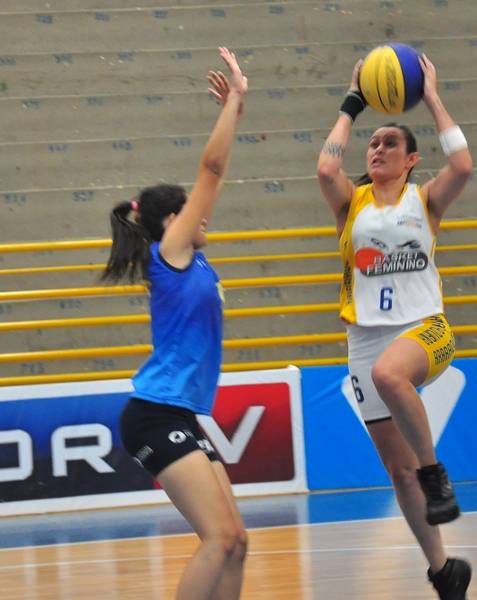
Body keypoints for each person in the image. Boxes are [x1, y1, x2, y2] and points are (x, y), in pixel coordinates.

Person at [316, 55, 473, 600]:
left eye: (390, 143)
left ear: (411, 159)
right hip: (364, 339)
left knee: (391, 376)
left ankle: (436, 473)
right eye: (373, 143)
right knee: (397, 471)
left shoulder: (424, 200)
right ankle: (443, 570)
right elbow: (326, 169)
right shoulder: (351, 203)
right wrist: (352, 101)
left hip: (424, 328)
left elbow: (463, 166)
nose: (377, 149)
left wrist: (431, 96)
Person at [101, 47, 248, 600]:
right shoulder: (172, 253)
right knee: (218, 539)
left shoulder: (194, 258)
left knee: (237, 540)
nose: (204, 213)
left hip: (178, 414)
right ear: (171, 221)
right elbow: (212, 170)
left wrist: (235, 112)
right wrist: (231, 104)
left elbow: (213, 179)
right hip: (154, 416)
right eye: (190, 209)